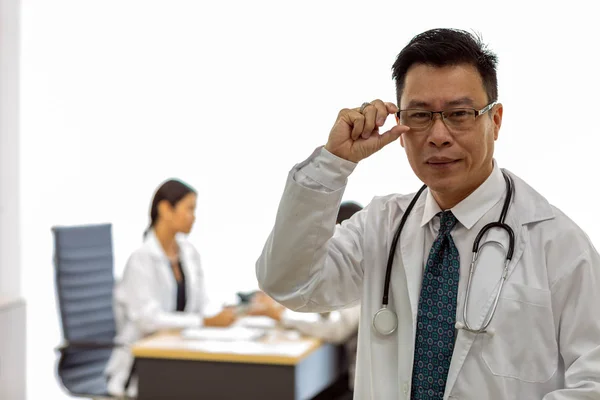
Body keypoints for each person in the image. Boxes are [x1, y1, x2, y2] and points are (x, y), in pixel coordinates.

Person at [255, 28, 600, 399]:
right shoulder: (381, 224)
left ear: (495, 121)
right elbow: (289, 284)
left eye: (459, 114)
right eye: (420, 115)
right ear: (400, 129)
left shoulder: (559, 244)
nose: (438, 135)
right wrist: (333, 163)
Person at [105, 178, 236, 397]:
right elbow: (148, 319)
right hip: (142, 365)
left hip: (181, 353)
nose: (193, 217)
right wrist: (204, 322)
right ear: (165, 209)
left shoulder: (189, 253)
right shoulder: (141, 260)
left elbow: (201, 304)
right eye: (189, 209)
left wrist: (224, 315)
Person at [249, 201, 363, 400]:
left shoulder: (366, 270)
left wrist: (282, 316)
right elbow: (327, 306)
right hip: (350, 375)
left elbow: (337, 329)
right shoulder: (351, 269)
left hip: (360, 386)